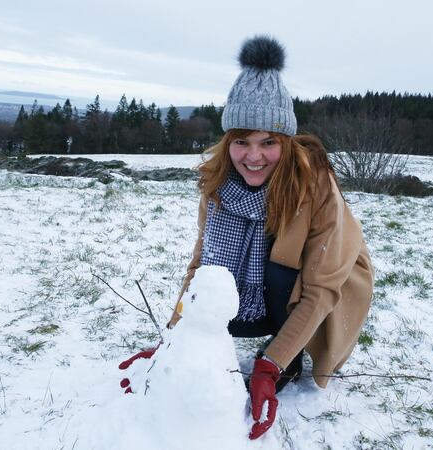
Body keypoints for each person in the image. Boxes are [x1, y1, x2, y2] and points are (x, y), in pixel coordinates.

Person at [120, 35, 374, 440]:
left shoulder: (316, 185)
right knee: (223, 279)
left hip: (326, 284)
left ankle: (285, 352)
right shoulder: (218, 185)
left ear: (286, 143)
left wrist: (269, 365)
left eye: (268, 143)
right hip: (271, 287)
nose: (253, 157)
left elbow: (322, 288)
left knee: (279, 271)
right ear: (227, 142)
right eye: (242, 142)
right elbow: (201, 271)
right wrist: (173, 342)